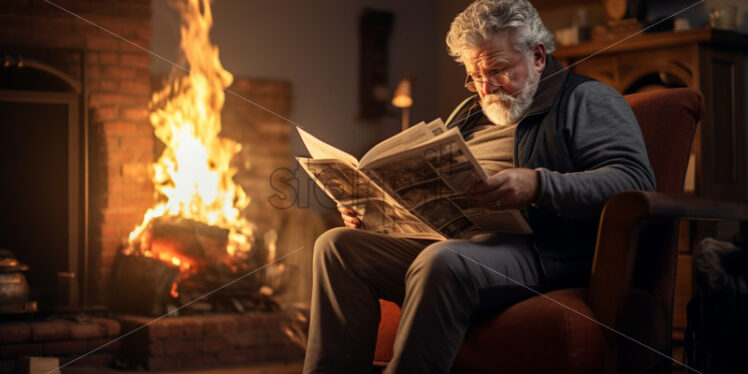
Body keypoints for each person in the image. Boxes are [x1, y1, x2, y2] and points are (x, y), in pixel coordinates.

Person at [303, 0, 656, 373]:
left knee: (442, 260)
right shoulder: (470, 113)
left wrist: (538, 184)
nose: (485, 88)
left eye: (497, 70)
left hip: (538, 248)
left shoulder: (587, 99)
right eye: (474, 75)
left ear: (538, 56)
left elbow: (634, 181)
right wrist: (374, 210)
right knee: (337, 246)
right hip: (455, 241)